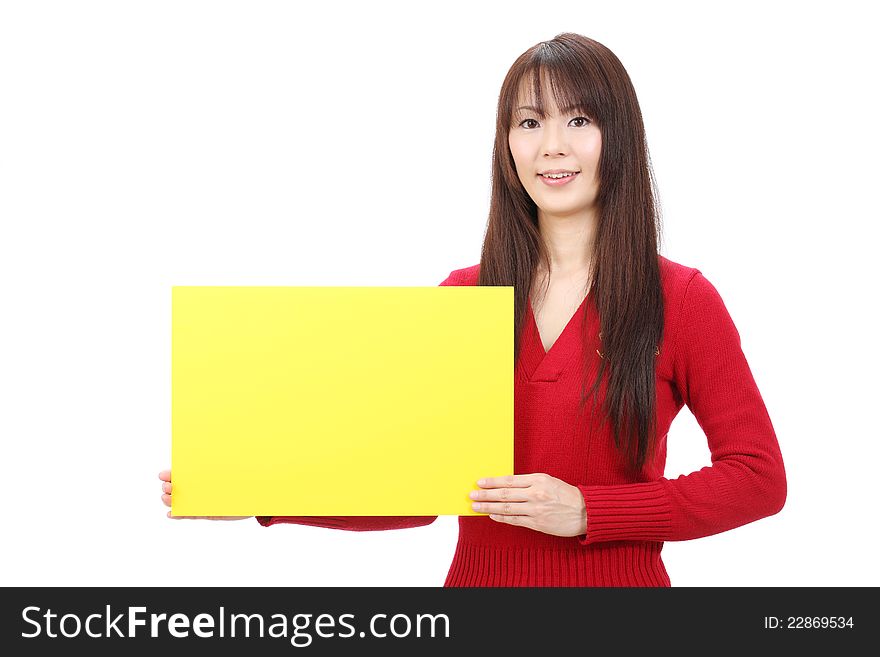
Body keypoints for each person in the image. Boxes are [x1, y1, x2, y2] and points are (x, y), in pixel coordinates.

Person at [159, 32, 786, 586]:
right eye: (529, 122)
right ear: (506, 145)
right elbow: (413, 491)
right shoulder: (464, 299)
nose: (551, 146)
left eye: (578, 120)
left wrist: (592, 512)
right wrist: (259, 490)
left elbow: (758, 477)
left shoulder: (680, 299)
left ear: (617, 137)